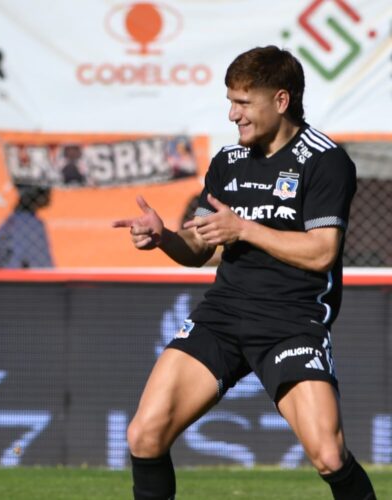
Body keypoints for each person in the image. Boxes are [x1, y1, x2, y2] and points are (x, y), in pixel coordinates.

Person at [113, 46, 375, 500]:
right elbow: (199, 248)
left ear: (281, 100)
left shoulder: (325, 160)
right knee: (144, 435)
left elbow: (320, 253)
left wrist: (245, 229)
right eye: (230, 101)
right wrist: (165, 238)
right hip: (224, 316)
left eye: (243, 102)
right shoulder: (229, 162)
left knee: (329, 457)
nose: (233, 114)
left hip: (291, 323)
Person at [0, 183, 54, 269]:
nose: (49, 194)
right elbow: (44, 268)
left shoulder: (8, 224)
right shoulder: (32, 226)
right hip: (18, 280)